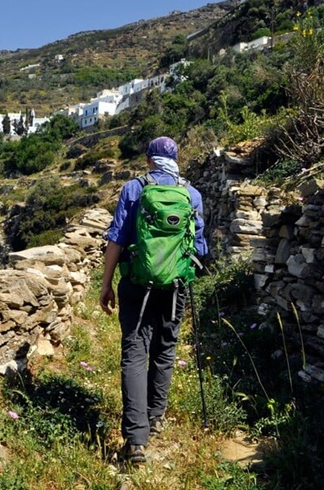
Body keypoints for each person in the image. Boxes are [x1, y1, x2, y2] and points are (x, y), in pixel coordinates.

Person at [98, 136, 208, 464]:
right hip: (174, 286)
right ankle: (155, 417)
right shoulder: (192, 194)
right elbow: (199, 248)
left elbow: (116, 239)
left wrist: (106, 285)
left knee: (134, 354)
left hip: (135, 283)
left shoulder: (134, 188)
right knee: (165, 350)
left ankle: (135, 441)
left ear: (149, 160)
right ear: (176, 161)